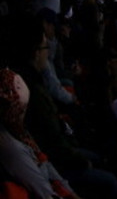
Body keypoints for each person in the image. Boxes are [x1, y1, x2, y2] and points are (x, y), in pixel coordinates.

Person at [0, 67, 79, 199]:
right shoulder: (11, 147)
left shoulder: (17, 129)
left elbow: (46, 164)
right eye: (21, 110)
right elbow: (45, 191)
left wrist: (68, 190)